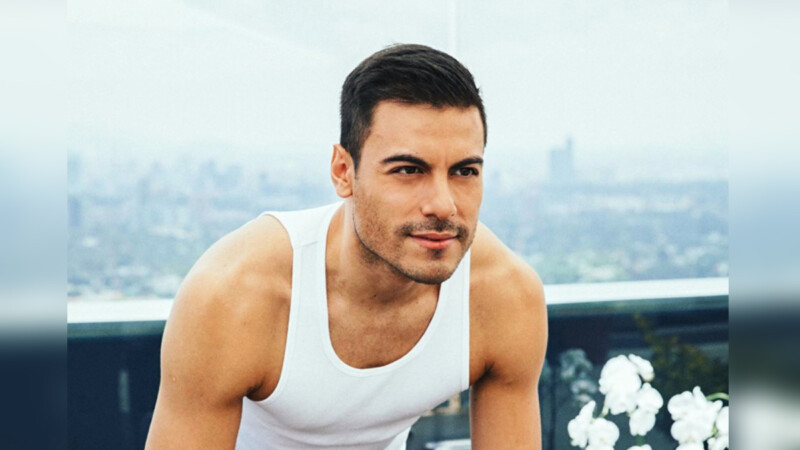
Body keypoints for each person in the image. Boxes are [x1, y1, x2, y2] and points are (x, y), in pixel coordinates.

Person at [145, 43, 548, 449]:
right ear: (343, 172)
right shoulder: (235, 293)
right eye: (408, 170)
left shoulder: (503, 294)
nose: (443, 205)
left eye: (464, 171)